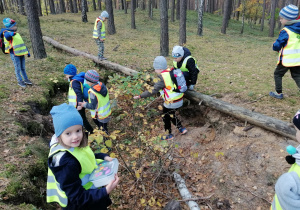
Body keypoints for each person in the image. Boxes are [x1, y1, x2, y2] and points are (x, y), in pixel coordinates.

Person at [46, 103, 119, 209]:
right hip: (81, 204)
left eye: (78, 130)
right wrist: (105, 191)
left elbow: (82, 158)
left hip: (91, 196)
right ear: (59, 135)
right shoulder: (65, 162)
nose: (75, 137)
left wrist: (102, 157)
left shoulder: (71, 145)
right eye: (68, 133)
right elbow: (77, 197)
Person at [133, 56, 187, 141]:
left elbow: (152, 91)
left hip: (171, 102)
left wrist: (140, 96)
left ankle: (169, 135)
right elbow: (169, 87)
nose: (155, 70)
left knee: (166, 117)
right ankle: (181, 129)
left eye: (155, 68)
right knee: (171, 114)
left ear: (159, 68)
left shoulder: (161, 78)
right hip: (180, 99)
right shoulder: (171, 71)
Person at [270, 110, 300, 209]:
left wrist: (283, 184)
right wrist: (295, 157)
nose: (295, 134)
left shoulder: (292, 180)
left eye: (297, 131)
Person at [270, 4, 300, 99]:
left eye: (281, 18)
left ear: (288, 20)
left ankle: (278, 93)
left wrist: (274, 46)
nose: (280, 20)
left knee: (277, 74)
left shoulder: (286, 31)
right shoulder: (298, 30)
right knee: (297, 76)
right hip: (297, 60)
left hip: (286, 60)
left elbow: (278, 44)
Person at [1, 18, 32, 88]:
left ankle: (26, 79)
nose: (16, 27)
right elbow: (7, 37)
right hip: (15, 55)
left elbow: (22, 44)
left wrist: (27, 52)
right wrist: (11, 34)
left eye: (15, 26)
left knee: (23, 68)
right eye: (14, 26)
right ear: (10, 27)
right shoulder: (6, 32)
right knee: (17, 68)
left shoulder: (17, 34)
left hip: (21, 54)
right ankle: (20, 81)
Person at [63, 64, 94, 134]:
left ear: (69, 74)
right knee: (80, 118)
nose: (65, 76)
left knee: (83, 119)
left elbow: (79, 94)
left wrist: (79, 105)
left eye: (66, 75)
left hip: (78, 105)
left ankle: (91, 131)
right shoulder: (74, 81)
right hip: (76, 105)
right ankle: (81, 130)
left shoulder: (74, 82)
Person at [78, 70, 111, 134]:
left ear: (91, 82)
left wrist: (84, 104)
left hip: (100, 115)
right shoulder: (102, 86)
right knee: (104, 127)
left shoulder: (93, 92)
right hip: (106, 113)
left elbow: (92, 106)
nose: (86, 82)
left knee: (103, 130)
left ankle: (105, 141)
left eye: (87, 81)